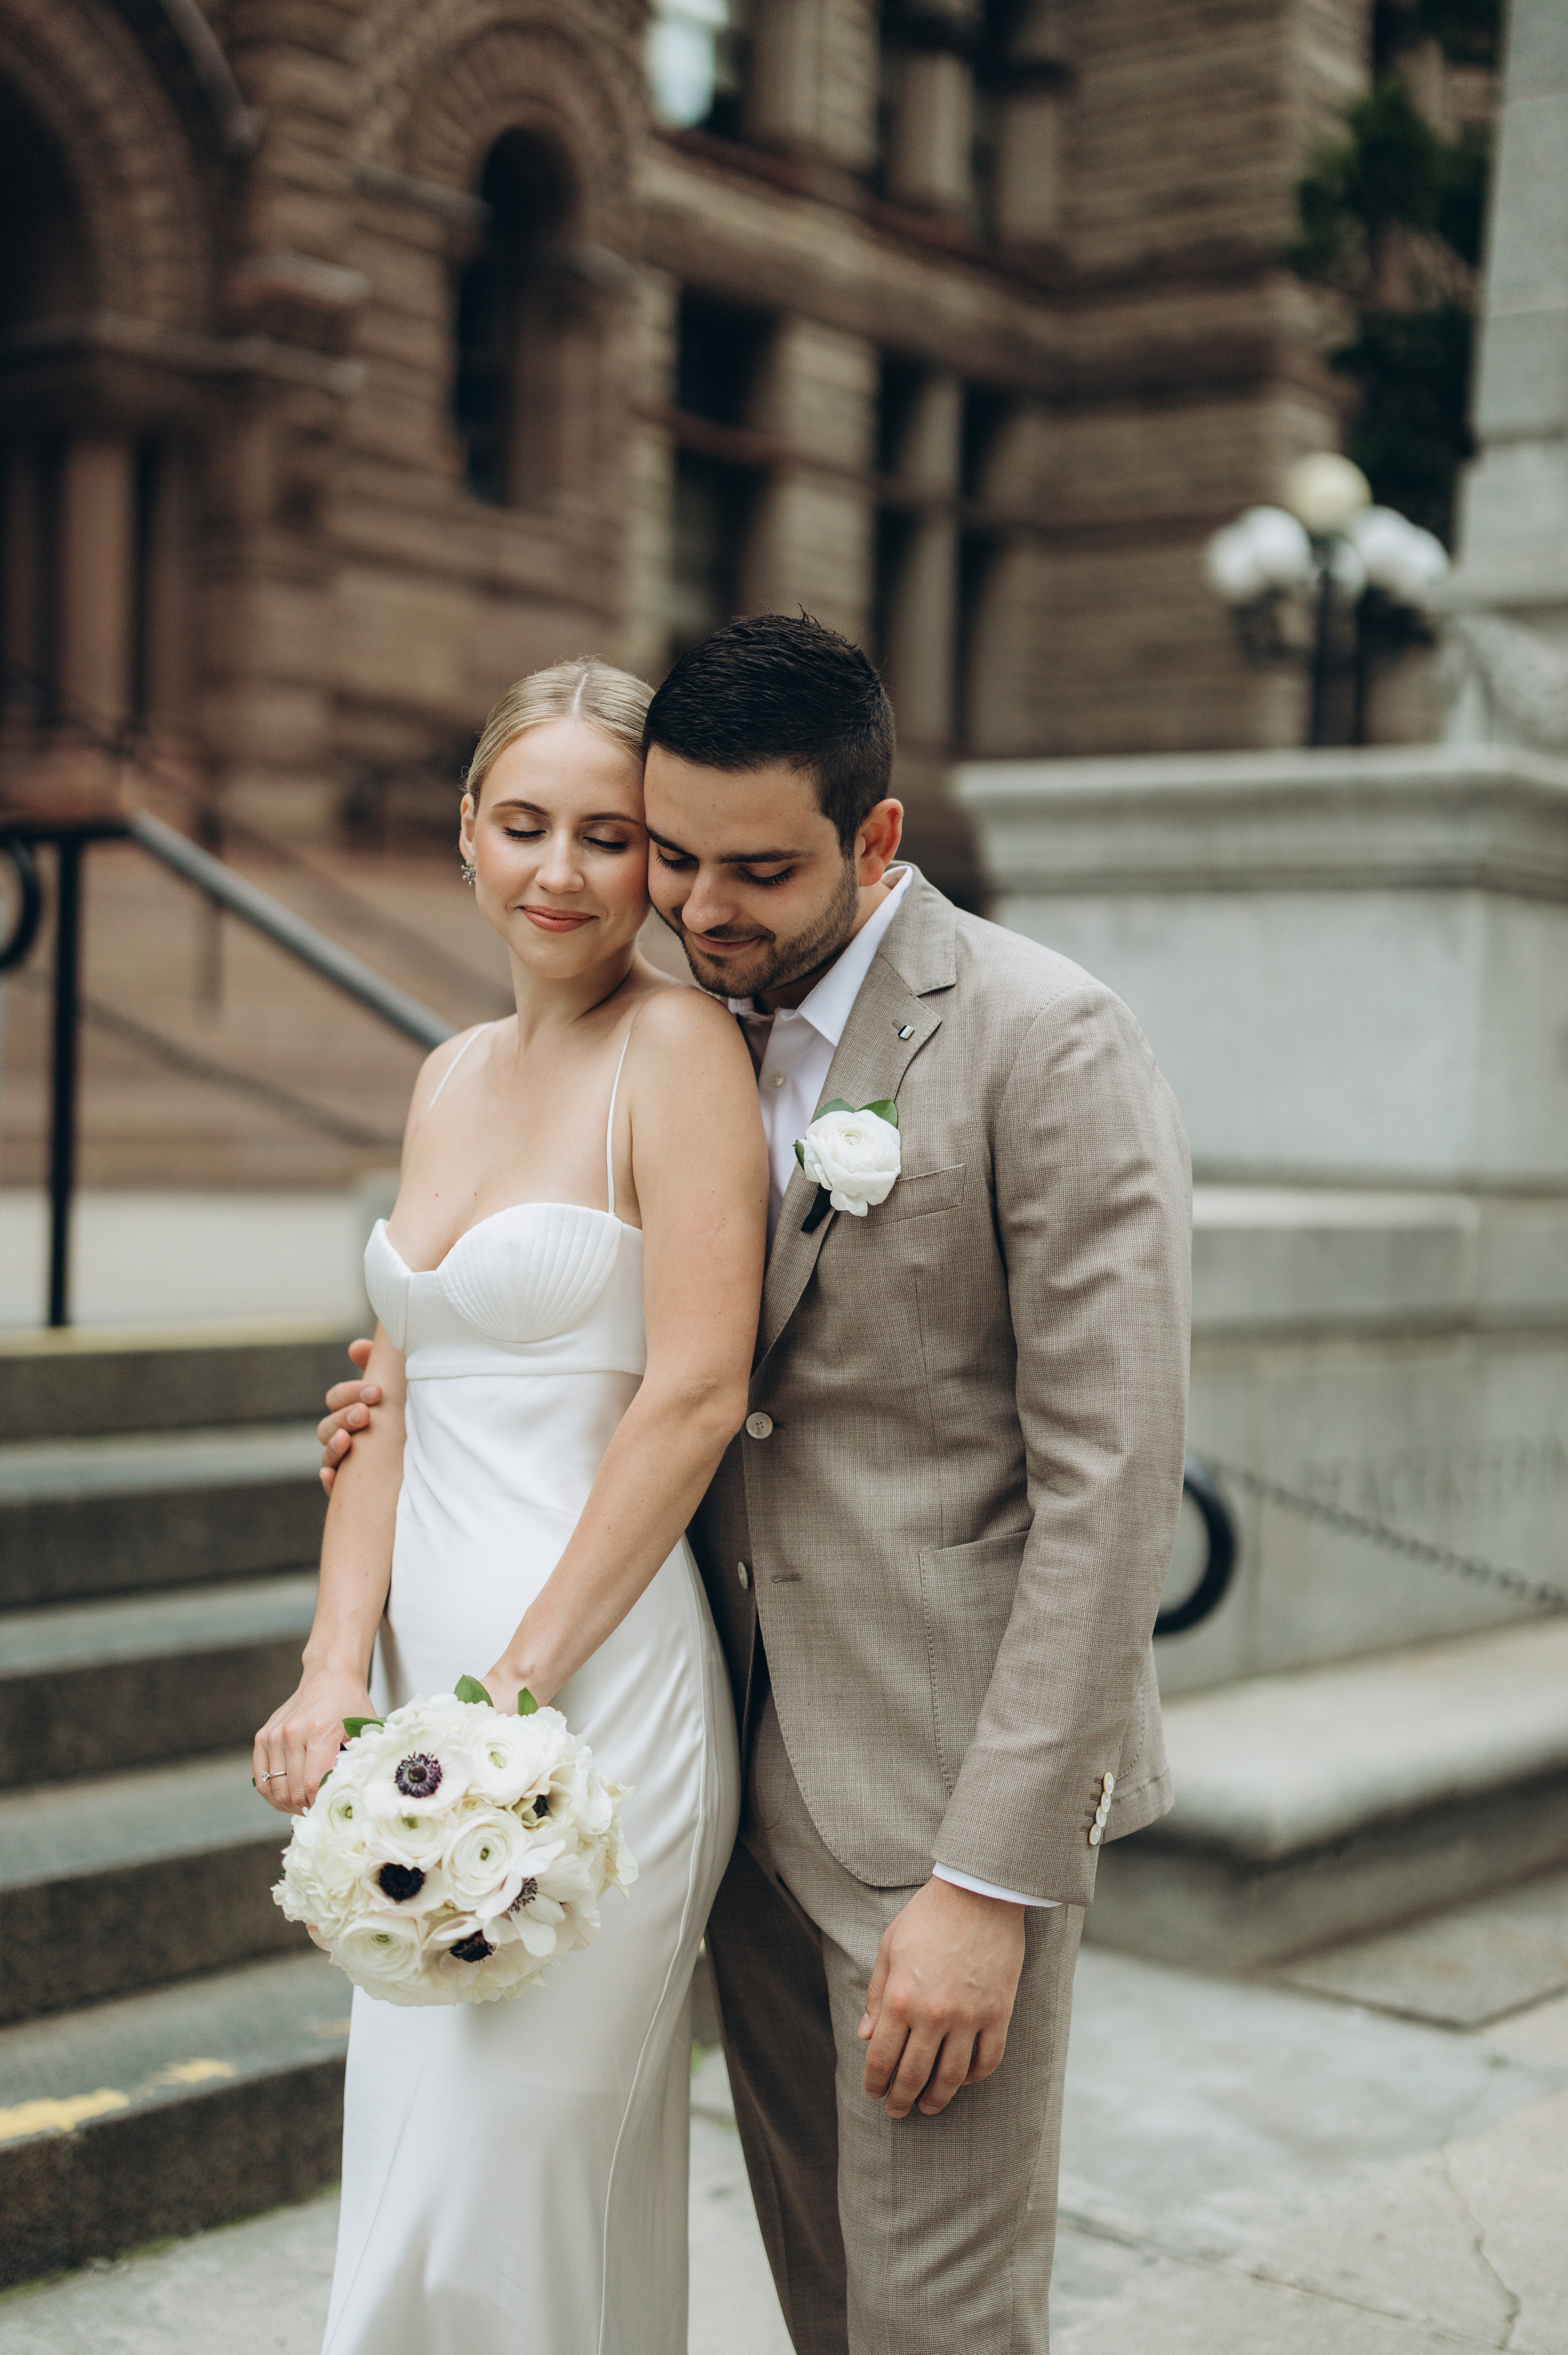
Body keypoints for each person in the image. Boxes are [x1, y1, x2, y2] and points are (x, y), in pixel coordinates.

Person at [316, 614, 1192, 2353]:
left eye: (762, 869)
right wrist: (408, 1406)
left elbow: (1110, 1488)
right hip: (717, 1781)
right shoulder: (687, 1018)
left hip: (934, 1802)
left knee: (937, 2320)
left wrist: (993, 1881)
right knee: (822, 2300)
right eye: (682, 857)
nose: (704, 907)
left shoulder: (1045, 1037)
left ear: (877, 843)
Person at [254, 656, 765, 2355]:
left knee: (512, 2185)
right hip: (429, 1712)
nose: (561, 871)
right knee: (415, 2173)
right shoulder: (448, 1075)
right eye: (525, 825)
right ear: (468, 835)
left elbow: (693, 1393)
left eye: (608, 837)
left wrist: (520, 1690)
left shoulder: (678, 1049)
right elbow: (388, 1389)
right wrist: (339, 1670)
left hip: (592, 1703)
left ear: (654, 864)